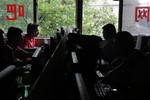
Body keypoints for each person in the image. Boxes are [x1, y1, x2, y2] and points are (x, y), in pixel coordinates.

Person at [99, 31, 150, 99]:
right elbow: (113, 68)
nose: (113, 47)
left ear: (125, 45)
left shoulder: (133, 55)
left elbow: (112, 74)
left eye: (116, 44)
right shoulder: (128, 55)